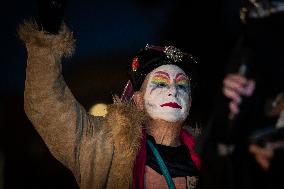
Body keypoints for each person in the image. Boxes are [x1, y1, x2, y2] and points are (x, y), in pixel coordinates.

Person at [18, 1, 200, 188]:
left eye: (182, 85)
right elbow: (47, 103)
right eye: (161, 83)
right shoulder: (101, 146)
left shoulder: (209, 155)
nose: (173, 91)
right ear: (138, 100)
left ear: (190, 102)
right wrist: (47, 32)